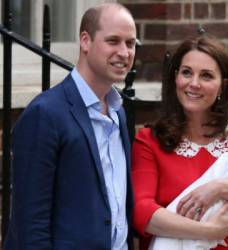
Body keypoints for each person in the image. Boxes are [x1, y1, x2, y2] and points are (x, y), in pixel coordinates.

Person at [131, 34, 228, 250]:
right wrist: (208, 232)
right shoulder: (149, 141)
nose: (194, 83)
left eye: (206, 76)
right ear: (176, 77)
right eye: (187, 72)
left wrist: (221, 188)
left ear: (222, 86)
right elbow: (140, 211)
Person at [4, 3, 136, 250]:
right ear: (85, 41)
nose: (124, 52)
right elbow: (30, 225)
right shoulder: (45, 114)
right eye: (113, 41)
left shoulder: (119, 112)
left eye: (130, 43)